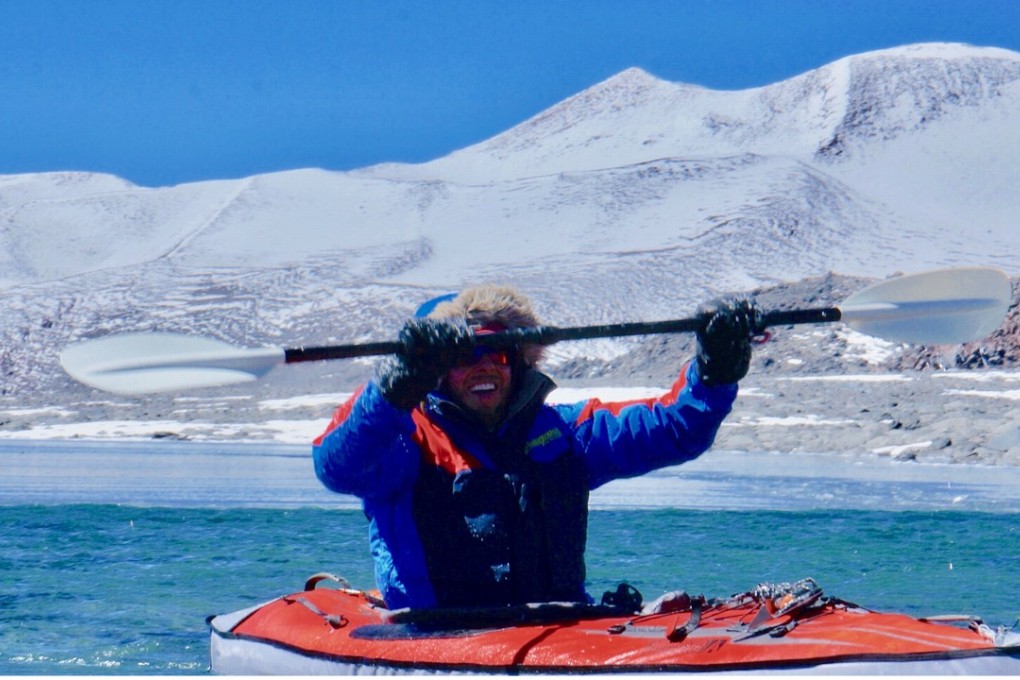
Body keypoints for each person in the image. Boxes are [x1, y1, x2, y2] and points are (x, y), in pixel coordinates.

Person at [313, 285, 760, 610]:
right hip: (439, 637)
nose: (484, 365)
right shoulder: (406, 439)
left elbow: (676, 428)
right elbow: (338, 466)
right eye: (465, 356)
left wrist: (717, 367)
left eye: (499, 352)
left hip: (558, 631)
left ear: (521, 359)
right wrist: (393, 388)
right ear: (437, 372)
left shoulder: (568, 432)